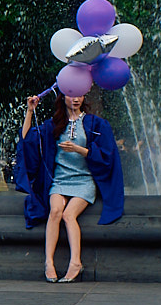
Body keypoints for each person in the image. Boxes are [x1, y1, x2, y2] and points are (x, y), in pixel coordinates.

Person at [17, 90, 122, 282]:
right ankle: (49, 262)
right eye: (71, 94)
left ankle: (75, 262)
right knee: (55, 211)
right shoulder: (54, 124)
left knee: (68, 214)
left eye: (79, 95)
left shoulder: (95, 124)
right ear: (62, 97)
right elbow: (27, 141)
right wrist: (30, 111)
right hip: (60, 179)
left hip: (84, 180)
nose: (75, 99)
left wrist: (78, 149)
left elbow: (106, 156)